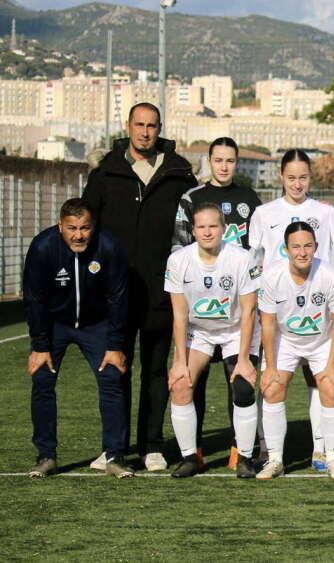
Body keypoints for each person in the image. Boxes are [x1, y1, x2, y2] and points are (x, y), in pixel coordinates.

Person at [82, 102, 198, 472]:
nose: (145, 132)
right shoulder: (105, 174)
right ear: (128, 126)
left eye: (152, 125)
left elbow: (193, 234)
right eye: (139, 125)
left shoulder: (180, 175)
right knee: (115, 369)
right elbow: (87, 231)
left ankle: (152, 446)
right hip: (114, 295)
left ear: (160, 128)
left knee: (156, 371)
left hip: (162, 293)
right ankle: (113, 448)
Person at [249, 149, 334, 472]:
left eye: (303, 177)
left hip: (318, 312)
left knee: (324, 383)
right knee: (273, 382)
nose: (297, 183)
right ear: (281, 176)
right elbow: (254, 261)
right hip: (280, 317)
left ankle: (323, 452)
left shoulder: (325, 212)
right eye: (291, 177)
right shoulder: (264, 213)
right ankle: (272, 455)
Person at [171, 136, 264, 470]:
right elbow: (179, 312)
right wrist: (179, 360)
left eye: (231, 160)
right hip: (201, 322)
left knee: (240, 383)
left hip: (237, 317)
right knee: (183, 381)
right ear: (209, 160)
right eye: (219, 160)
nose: (225, 166)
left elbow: (251, 301)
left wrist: (244, 358)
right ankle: (190, 454)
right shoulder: (191, 203)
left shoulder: (248, 200)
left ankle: (243, 453)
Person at [23, 198, 132, 478]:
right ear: (60, 226)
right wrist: (40, 345)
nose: (79, 235)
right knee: (42, 379)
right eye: (72, 228)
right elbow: (34, 298)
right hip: (55, 323)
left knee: (111, 378)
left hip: (96, 324)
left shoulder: (109, 246)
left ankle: (115, 456)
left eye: (85, 228)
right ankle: (46, 456)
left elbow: (118, 297)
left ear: (93, 226)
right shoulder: (43, 246)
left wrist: (115, 345)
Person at [256, 221, 334, 480]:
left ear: (316, 247)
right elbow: (267, 323)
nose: (302, 252)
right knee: (273, 387)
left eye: (308, 245)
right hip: (285, 339)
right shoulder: (272, 277)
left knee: (330, 387)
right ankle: (275, 460)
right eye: (296, 246)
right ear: (286, 249)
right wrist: (272, 367)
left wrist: (331, 364)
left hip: (322, 341)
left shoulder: (329, 274)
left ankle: (332, 458)